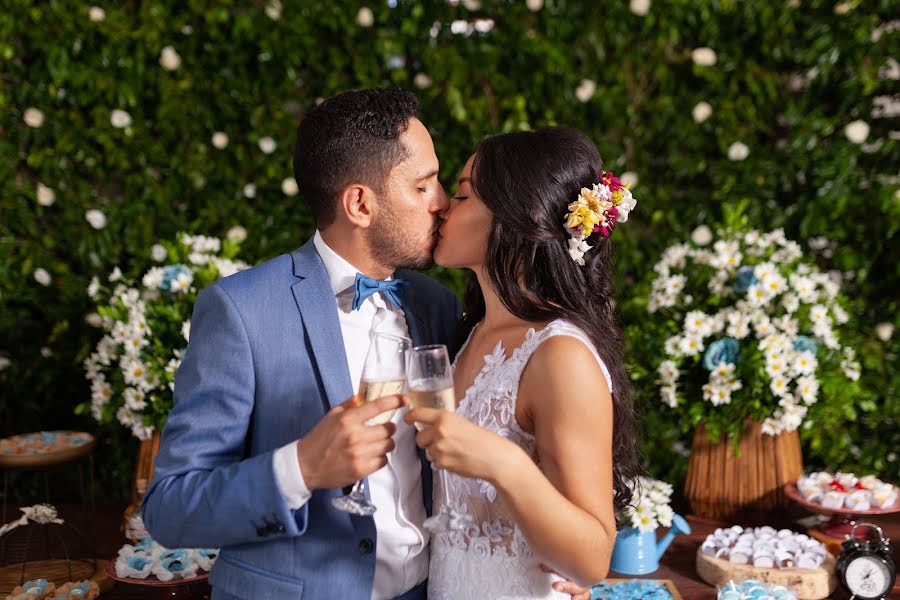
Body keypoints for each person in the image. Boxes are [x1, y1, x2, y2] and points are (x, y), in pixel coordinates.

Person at [142, 89, 591, 600]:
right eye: (423, 186)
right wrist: (303, 466)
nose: (443, 202)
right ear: (360, 204)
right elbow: (169, 509)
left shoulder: (437, 306)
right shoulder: (241, 311)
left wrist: (547, 563)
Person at [406, 127, 641, 599]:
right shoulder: (468, 334)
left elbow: (593, 558)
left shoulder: (560, 355)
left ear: (523, 215)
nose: (444, 207)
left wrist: (504, 463)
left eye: (463, 194)